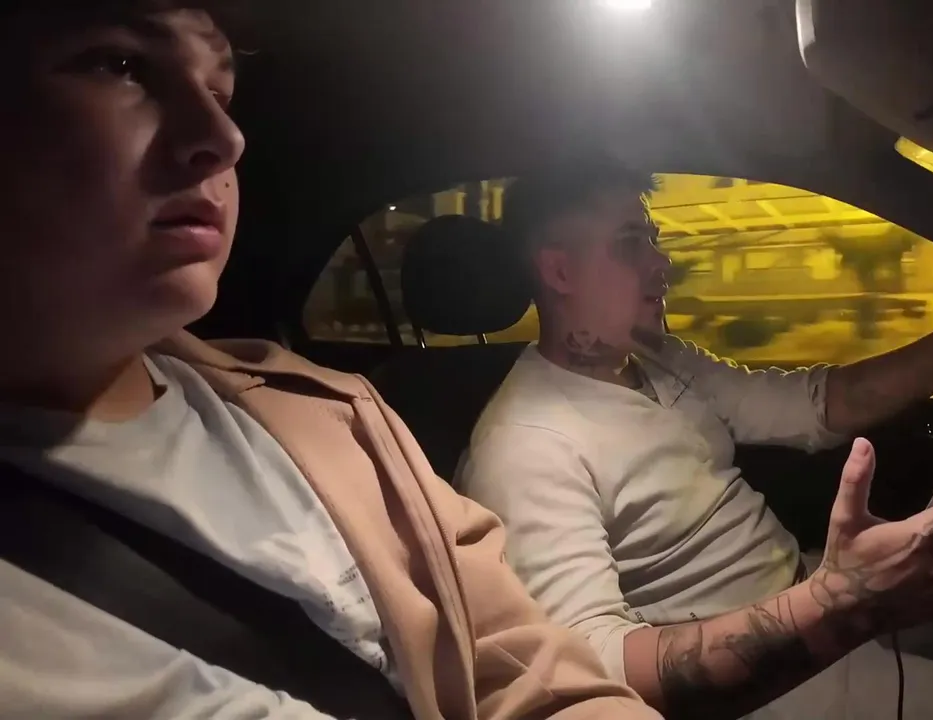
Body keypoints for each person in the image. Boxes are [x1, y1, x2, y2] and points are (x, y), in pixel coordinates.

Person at [0, 4, 662, 719]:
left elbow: (535, 679)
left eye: (221, 91)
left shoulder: (333, 417)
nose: (224, 136)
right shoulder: (515, 436)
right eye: (121, 64)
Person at [456, 163, 933, 720]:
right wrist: (834, 601)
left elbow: (818, 404)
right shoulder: (524, 447)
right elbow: (592, 669)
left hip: (803, 593)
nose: (661, 261)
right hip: (754, 684)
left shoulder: (656, 359)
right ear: (560, 272)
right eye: (631, 243)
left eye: (652, 237)